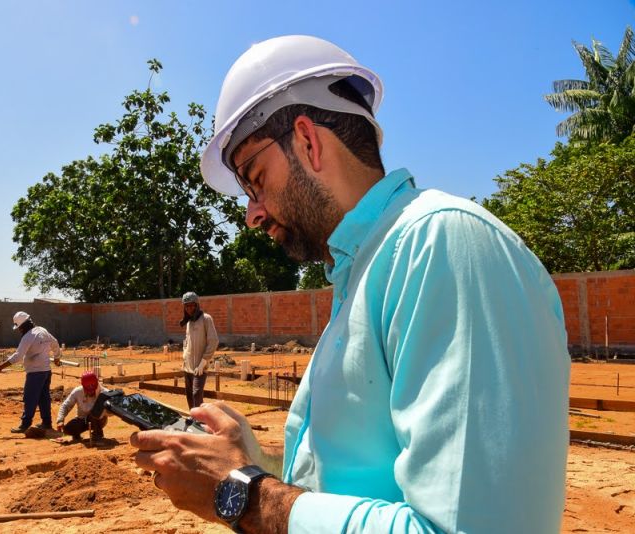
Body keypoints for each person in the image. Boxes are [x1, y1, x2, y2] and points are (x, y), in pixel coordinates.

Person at [131, 35, 570, 533]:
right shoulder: (368, 272)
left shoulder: (441, 244)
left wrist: (242, 494)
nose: (252, 214)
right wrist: (247, 462)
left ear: (308, 141)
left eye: (254, 178)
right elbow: (355, 485)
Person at [0, 311, 61, 434]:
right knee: (43, 397)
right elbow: (55, 342)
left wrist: (1, 366)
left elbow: (18, 356)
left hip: (35, 373)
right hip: (46, 371)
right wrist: (57, 357)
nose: (19, 330)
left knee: (30, 397)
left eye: (19, 328)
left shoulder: (28, 336)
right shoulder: (42, 330)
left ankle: (25, 424)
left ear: (23, 325)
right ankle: (47, 423)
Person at [179, 291, 219, 409]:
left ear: (197, 305)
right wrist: (184, 356)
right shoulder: (189, 322)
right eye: (186, 306)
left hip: (200, 367)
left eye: (192, 305)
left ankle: (201, 420)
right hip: (188, 366)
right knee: (189, 395)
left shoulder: (206, 319)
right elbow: (187, 341)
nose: (189, 308)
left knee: (197, 393)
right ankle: (193, 418)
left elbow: (213, 341)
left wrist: (203, 362)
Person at [56, 371, 109, 444]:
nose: (91, 392)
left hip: (99, 420)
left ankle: (98, 435)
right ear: (83, 386)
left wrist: (106, 410)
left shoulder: (105, 393)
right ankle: (77, 436)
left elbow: (113, 410)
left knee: (94, 413)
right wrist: (60, 420)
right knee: (67, 429)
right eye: (88, 390)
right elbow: (66, 405)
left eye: (92, 390)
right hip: (82, 419)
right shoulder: (77, 391)